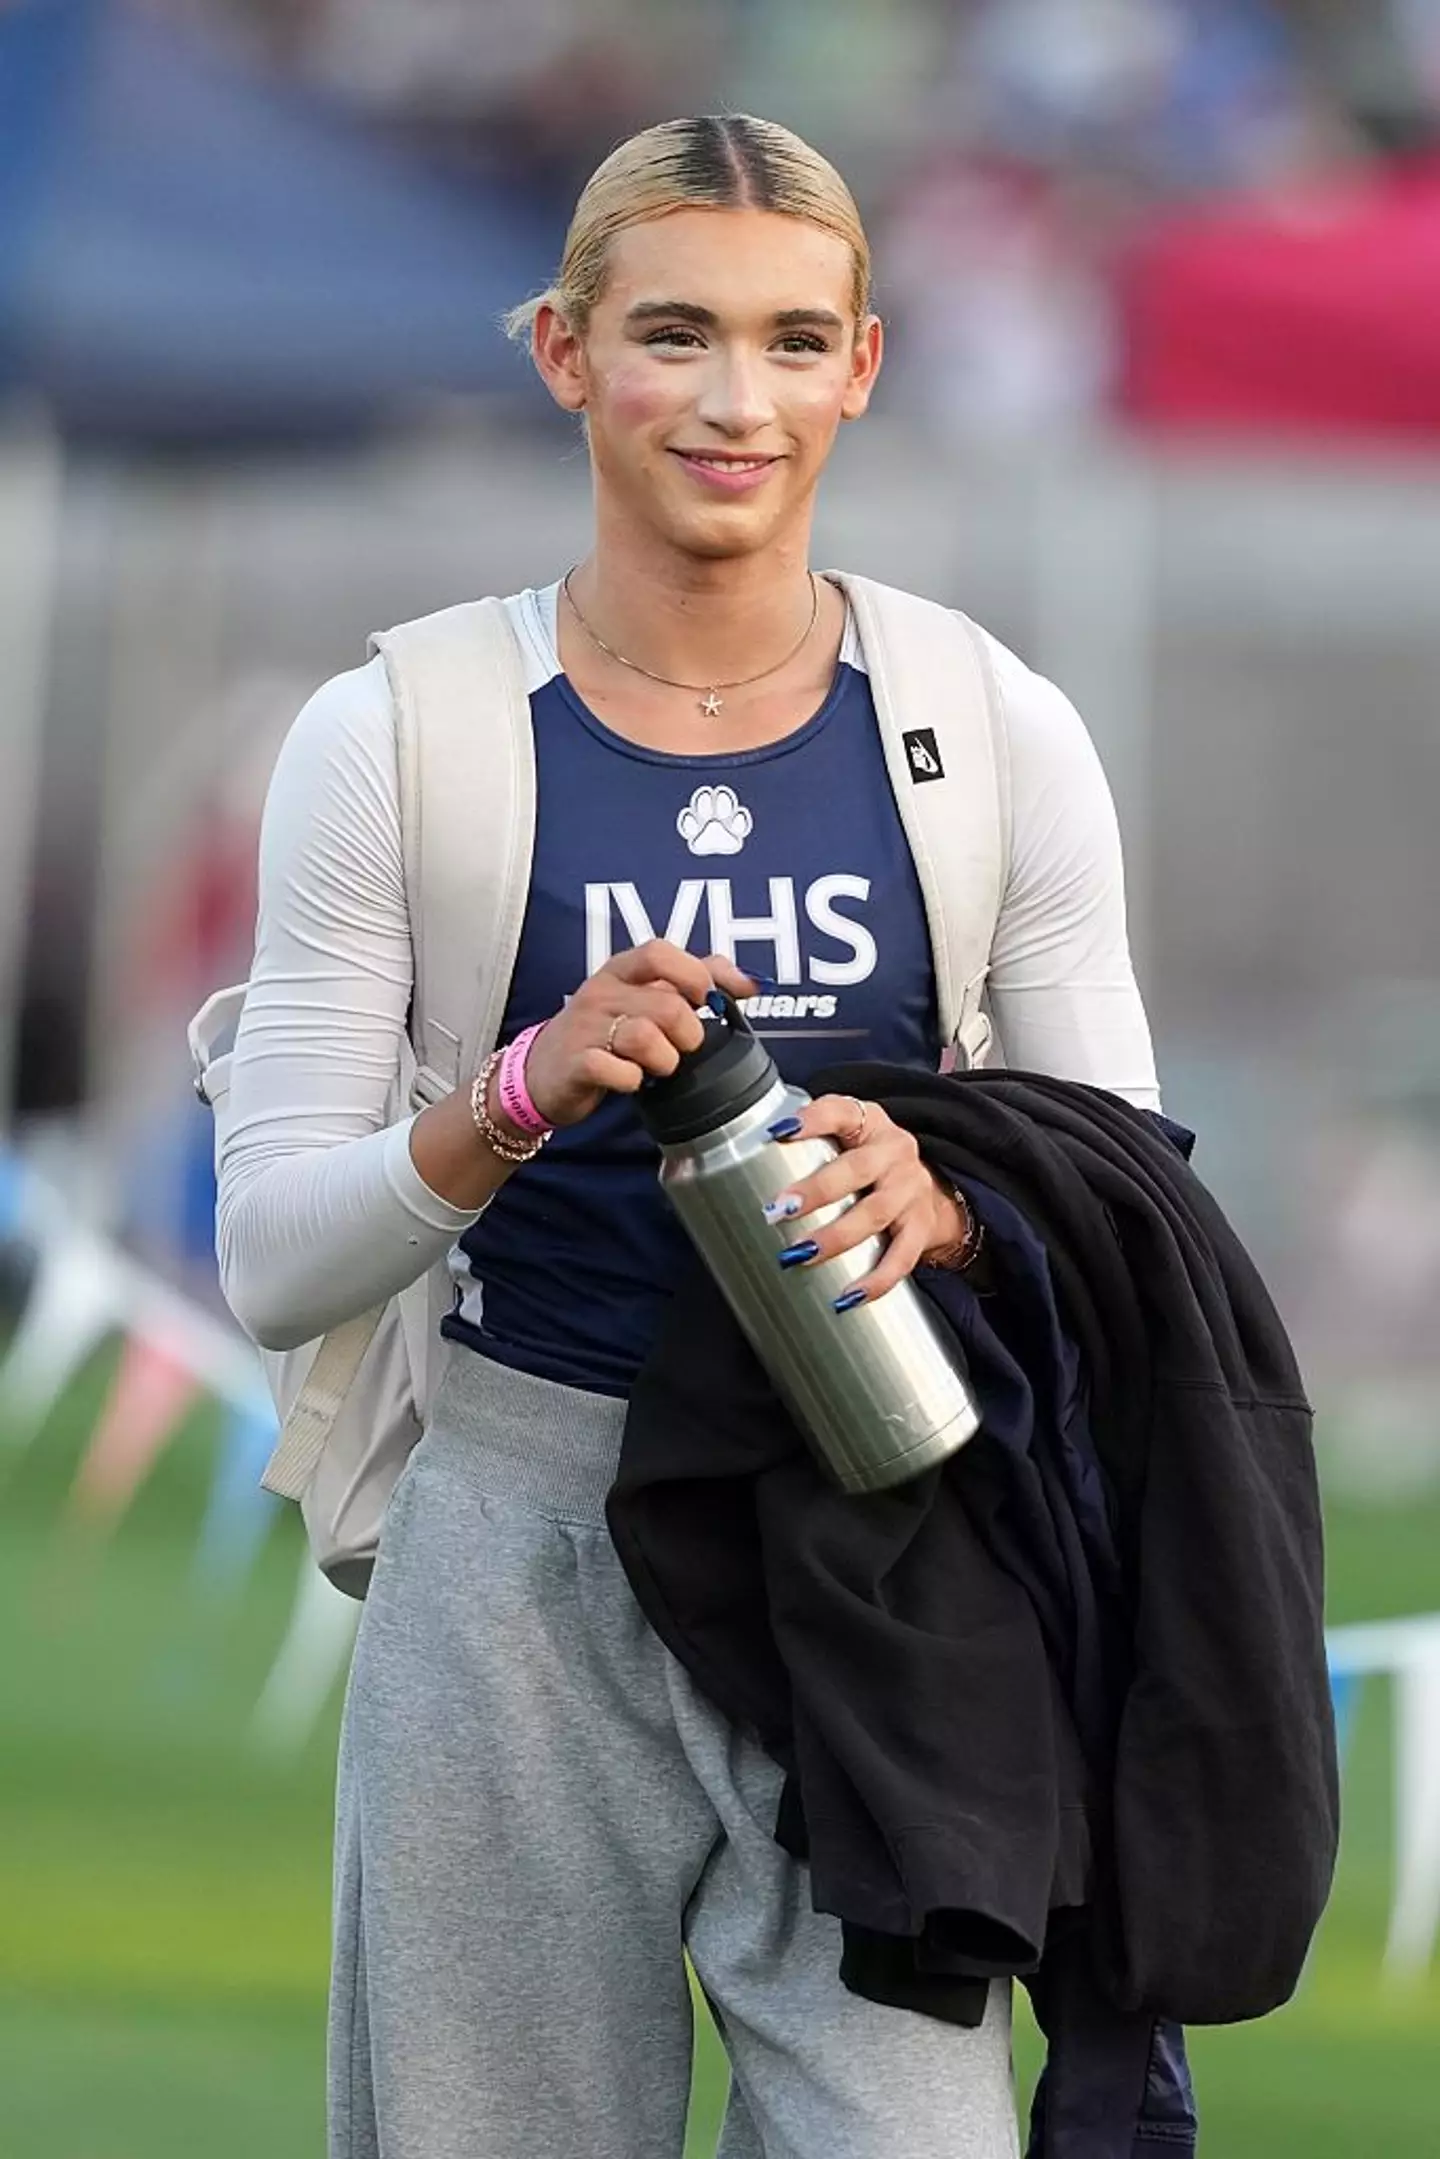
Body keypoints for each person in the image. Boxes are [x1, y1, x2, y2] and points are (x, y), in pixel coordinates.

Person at [217, 114, 1160, 2159]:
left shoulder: (990, 726)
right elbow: (275, 1255)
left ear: (864, 366)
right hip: (518, 1540)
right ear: (565, 353)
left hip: (883, 1529)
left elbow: (1131, 1198)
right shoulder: (401, 732)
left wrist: (963, 1204)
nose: (739, 401)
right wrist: (517, 1092)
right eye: (674, 335)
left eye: (794, 339)